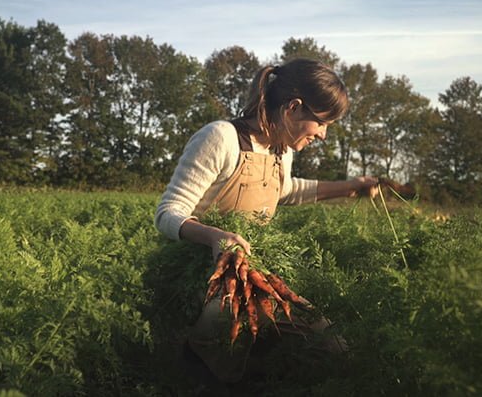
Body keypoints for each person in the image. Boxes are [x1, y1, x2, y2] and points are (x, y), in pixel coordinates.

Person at [154, 58, 380, 383]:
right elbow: (168, 213)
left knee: (330, 345)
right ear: (293, 107)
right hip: (208, 275)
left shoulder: (281, 151)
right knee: (224, 360)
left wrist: (350, 187)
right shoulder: (221, 138)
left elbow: (287, 190)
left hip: (253, 272)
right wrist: (214, 237)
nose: (323, 136)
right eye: (322, 123)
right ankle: (193, 362)